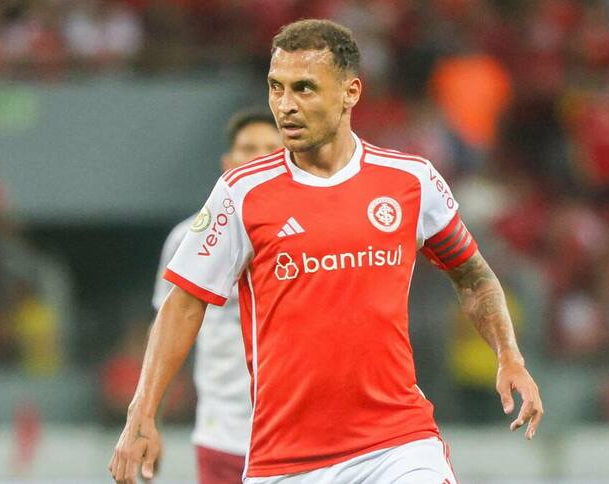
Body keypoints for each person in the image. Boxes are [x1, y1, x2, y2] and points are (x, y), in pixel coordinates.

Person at [110, 19, 543, 484]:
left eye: (304, 89)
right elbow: (182, 304)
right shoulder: (242, 193)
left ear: (350, 92)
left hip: (397, 443)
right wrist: (142, 411)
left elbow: (474, 277)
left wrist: (509, 355)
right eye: (276, 88)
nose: (285, 106)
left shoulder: (409, 181)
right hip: (286, 460)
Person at [150, 110, 281, 483]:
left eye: (271, 149)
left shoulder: (309, 236)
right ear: (228, 163)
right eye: (248, 148)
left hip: (296, 432)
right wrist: (147, 419)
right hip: (222, 431)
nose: (259, 157)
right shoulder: (188, 239)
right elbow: (167, 335)